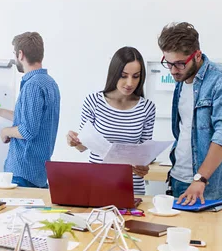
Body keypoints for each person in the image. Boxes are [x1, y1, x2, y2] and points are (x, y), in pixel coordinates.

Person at [157, 22, 222, 205]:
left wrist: (200, 179)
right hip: (178, 177)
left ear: (197, 56)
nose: (172, 70)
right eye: (168, 63)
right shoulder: (181, 80)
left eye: (179, 64)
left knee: (203, 234)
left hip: (206, 184)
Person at [66, 47, 156, 195]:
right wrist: (73, 141)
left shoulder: (147, 108)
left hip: (132, 189)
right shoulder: (93, 102)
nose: (129, 83)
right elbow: (83, 147)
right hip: (97, 185)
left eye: (136, 76)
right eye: (124, 75)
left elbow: (144, 153)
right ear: (114, 73)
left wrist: (144, 166)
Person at [0, 32, 60, 188]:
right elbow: (32, 119)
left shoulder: (32, 86)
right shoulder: (50, 83)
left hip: (24, 172)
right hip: (38, 173)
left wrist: (5, 131)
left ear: (20, 54)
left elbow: (28, 130)